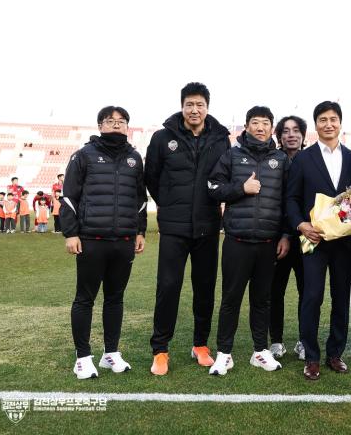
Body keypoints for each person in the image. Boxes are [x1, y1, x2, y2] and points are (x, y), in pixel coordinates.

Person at [145, 82, 231, 376]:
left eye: (200, 105)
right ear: (182, 106)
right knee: (168, 287)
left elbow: (224, 177)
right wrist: (168, 204)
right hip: (174, 227)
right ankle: (160, 350)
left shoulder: (221, 139)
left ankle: (200, 345)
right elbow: (151, 177)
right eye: (189, 104)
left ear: (207, 107)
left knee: (204, 288)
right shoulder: (162, 138)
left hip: (208, 225)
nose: (194, 110)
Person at [60, 105, 147, 379]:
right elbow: (69, 197)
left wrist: (140, 231)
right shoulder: (83, 155)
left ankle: (111, 353)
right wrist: (71, 233)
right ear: (100, 126)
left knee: (115, 298)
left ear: (127, 126)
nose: (116, 124)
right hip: (91, 240)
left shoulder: (134, 158)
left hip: (124, 240)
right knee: (85, 298)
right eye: (110, 121)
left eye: (121, 121)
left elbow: (140, 199)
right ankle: (83, 357)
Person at [207, 106, 290, 375]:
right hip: (237, 240)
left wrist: (285, 235)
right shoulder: (232, 155)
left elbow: (288, 200)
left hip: (268, 243)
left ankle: (260, 351)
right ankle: (224, 353)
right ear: (246, 126)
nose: (260, 127)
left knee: (262, 300)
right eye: (255, 122)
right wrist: (241, 189)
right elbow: (213, 188)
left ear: (272, 128)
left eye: (265, 123)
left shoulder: (281, 159)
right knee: (231, 299)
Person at [286, 101, 351, 380]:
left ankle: (335, 353)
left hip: (344, 243)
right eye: (323, 119)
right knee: (312, 297)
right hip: (313, 240)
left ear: (340, 123)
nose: (328, 124)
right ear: (316, 124)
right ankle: (311, 356)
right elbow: (291, 198)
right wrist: (301, 224)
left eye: (333, 119)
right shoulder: (303, 159)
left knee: (341, 297)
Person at [269, 115, 307, 360]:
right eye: (285, 131)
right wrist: (283, 233)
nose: (291, 135)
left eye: (295, 130)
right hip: (278, 237)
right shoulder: (273, 161)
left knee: (308, 291)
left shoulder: (311, 160)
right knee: (275, 291)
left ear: (303, 135)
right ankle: (276, 340)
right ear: (279, 136)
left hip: (306, 236)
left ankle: (304, 340)